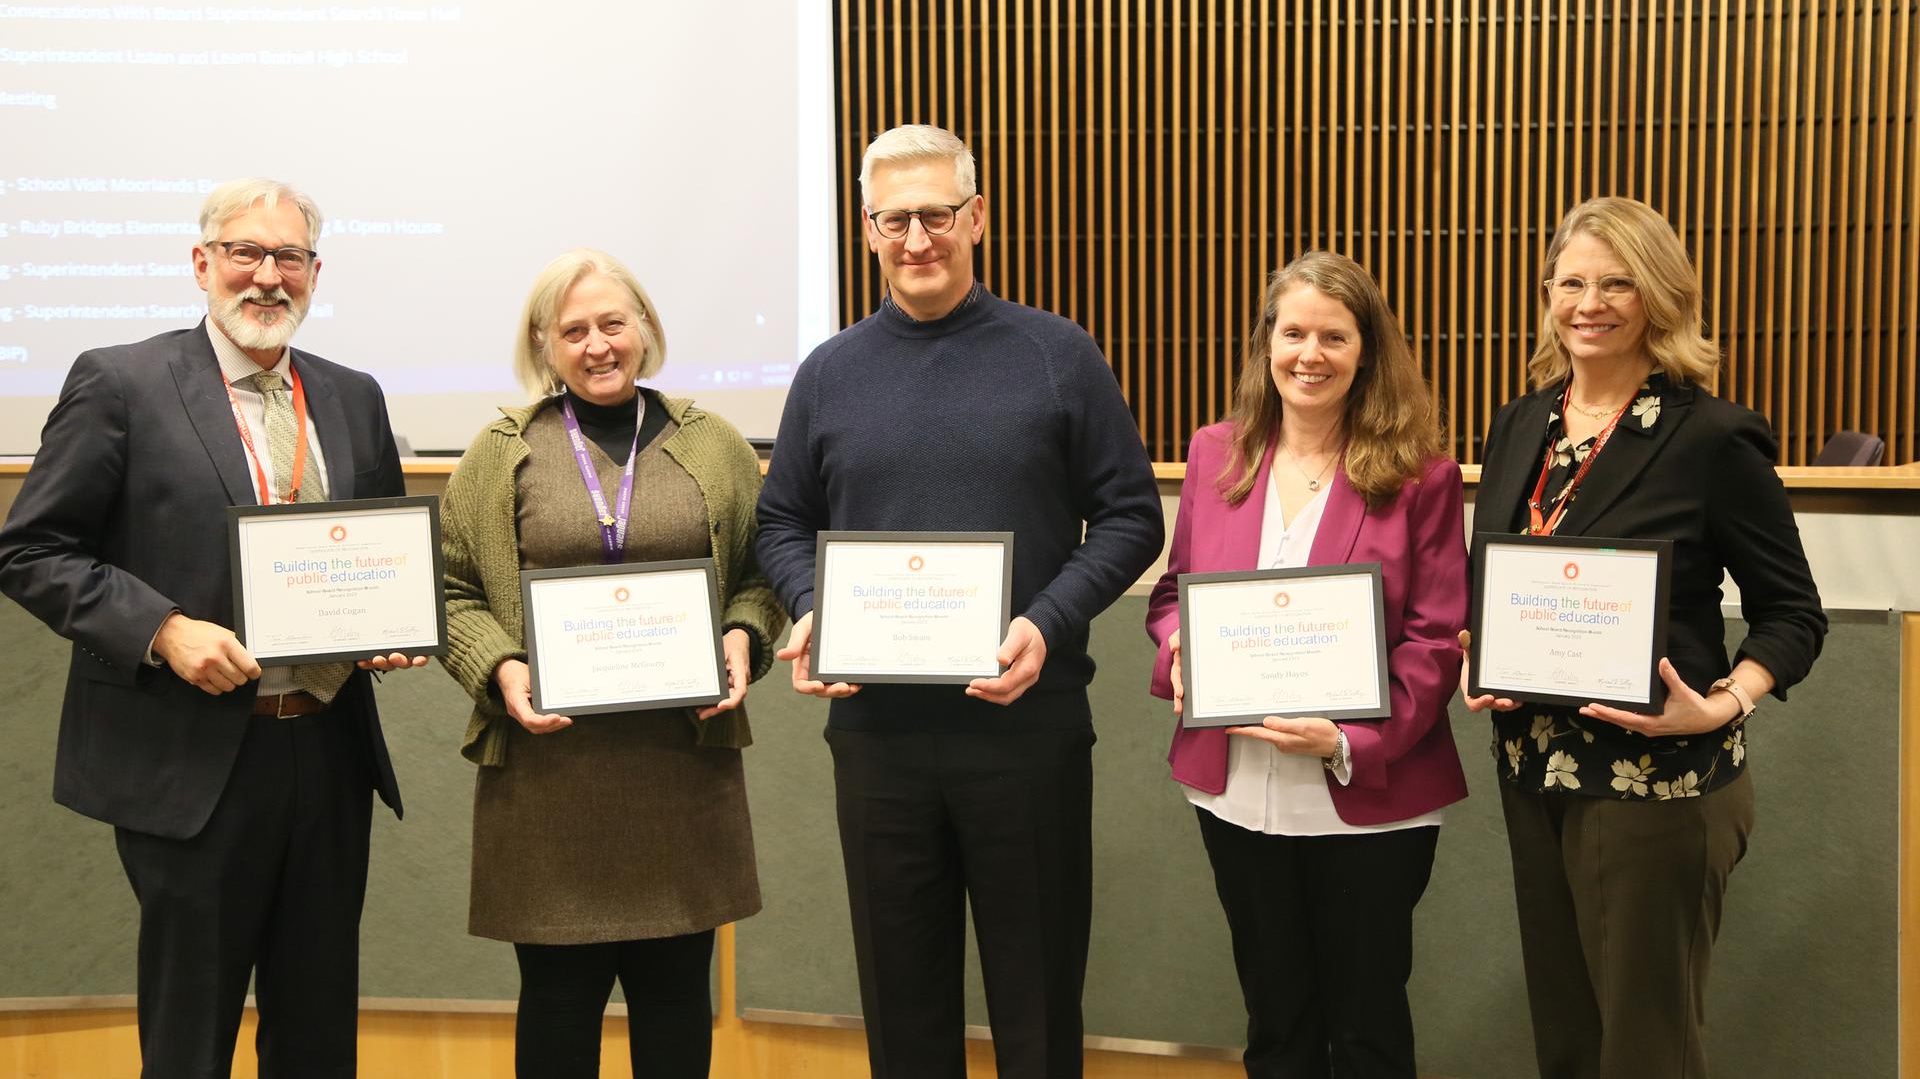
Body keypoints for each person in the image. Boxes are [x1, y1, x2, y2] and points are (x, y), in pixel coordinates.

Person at [755, 123, 1164, 1079]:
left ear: (977, 217)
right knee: (903, 1013)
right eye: (893, 220)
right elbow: (781, 522)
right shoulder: (828, 372)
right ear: (867, 229)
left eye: (936, 216)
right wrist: (811, 606)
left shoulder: (1057, 353)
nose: (916, 239)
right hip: (878, 740)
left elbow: (1131, 518)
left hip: (1027, 729)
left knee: (1038, 1007)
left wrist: (1046, 624)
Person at [0, 177, 424, 1077]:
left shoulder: (353, 395)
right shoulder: (120, 381)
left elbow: (382, 552)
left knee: (317, 1039)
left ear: (315, 273)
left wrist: (390, 626)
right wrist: (162, 630)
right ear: (202, 263)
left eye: (289, 257)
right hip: (191, 762)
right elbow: (31, 550)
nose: (268, 276)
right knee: (190, 1042)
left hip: (328, 753)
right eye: (246, 252)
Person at [1464, 196, 1827, 1078]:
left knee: (1645, 1048)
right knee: (1568, 1038)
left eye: (1617, 283)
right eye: (1571, 283)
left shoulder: (1711, 437)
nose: (1589, 303)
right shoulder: (1521, 423)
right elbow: (1506, 573)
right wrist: (1482, 651)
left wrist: (1725, 704)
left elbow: (1793, 612)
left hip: (1657, 784)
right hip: (1534, 769)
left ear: (1660, 295)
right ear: (1547, 295)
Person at [436, 248, 785, 1078]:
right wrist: (501, 667)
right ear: (545, 345)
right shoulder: (502, 450)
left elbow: (762, 572)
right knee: (557, 1016)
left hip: (681, 776)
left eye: (613, 323)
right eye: (574, 330)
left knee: (676, 1014)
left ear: (645, 329)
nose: (597, 345)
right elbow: (451, 591)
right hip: (550, 782)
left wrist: (743, 635)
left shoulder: (714, 444)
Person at [1145, 251, 1468, 1077]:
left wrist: (1349, 740)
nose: (1309, 355)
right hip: (1235, 789)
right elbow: (1174, 594)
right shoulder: (1217, 452)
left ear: (1367, 351)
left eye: (1334, 336)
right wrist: (1179, 648)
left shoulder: (1419, 474)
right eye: (1293, 333)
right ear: (1267, 343)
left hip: (1367, 796)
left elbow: (1436, 638)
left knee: (1366, 1029)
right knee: (1276, 1021)